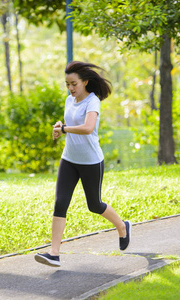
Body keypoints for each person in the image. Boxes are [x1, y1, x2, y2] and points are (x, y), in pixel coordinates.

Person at [34, 61, 132, 267]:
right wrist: (60, 126)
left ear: (85, 82)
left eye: (74, 84)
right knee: (60, 202)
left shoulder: (93, 101)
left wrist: (65, 129)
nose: (70, 88)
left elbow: (87, 128)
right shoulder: (69, 100)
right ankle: (54, 253)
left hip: (90, 161)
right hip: (69, 159)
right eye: (67, 84)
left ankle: (122, 227)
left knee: (94, 205)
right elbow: (68, 123)